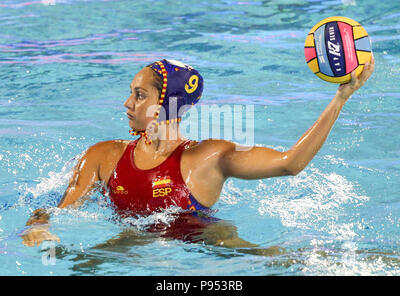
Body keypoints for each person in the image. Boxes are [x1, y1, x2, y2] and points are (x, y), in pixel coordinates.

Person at [21, 56, 375, 247]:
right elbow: (58, 207)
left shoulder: (206, 158)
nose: (127, 104)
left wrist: (341, 97)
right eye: (131, 92)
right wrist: (37, 224)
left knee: (273, 259)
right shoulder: (103, 156)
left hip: (204, 245)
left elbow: (290, 164)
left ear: (166, 104)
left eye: (140, 95)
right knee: (83, 267)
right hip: (130, 245)